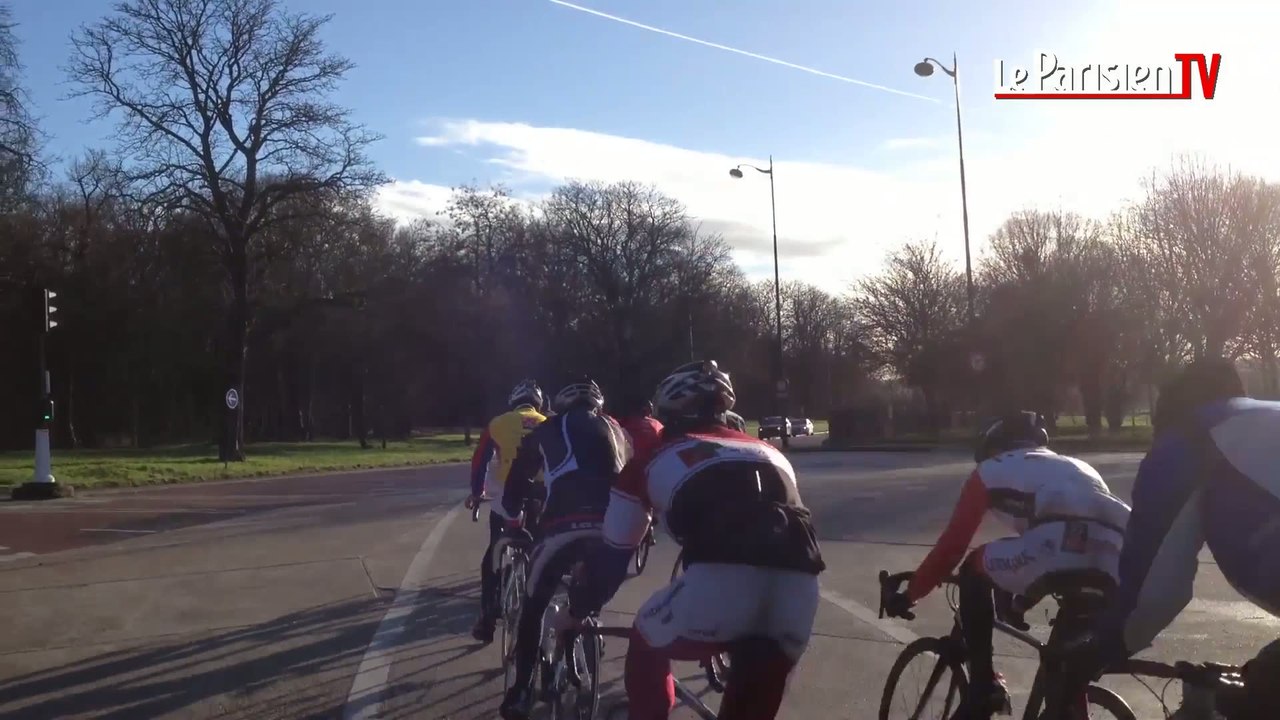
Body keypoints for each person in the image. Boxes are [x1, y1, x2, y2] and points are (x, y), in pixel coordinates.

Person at [567, 360, 826, 720]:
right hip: (801, 590)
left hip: (722, 583)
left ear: (668, 415)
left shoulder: (649, 460)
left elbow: (614, 557)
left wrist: (578, 609)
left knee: (646, 639)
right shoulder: (772, 453)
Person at [1066, 358, 1280, 717]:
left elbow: (1155, 585)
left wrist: (1105, 645)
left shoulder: (1187, 442)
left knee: (1247, 702)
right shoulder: (1259, 420)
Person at [882, 411, 1131, 720]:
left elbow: (952, 548)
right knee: (1065, 667)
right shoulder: (1073, 465)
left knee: (974, 566)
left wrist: (910, 594)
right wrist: (1021, 597)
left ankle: (983, 687)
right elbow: (1065, 546)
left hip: (1058, 546)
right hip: (1116, 555)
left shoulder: (990, 470)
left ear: (993, 447)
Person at [498, 377, 631, 720]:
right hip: (614, 528)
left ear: (559, 406)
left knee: (533, 606)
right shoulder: (617, 430)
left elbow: (518, 482)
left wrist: (513, 512)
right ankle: (581, 626)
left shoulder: (547, 429)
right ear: (598, 406)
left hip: (564, 525)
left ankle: (521, 688)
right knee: (589, 590)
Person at [467, 378, 547, 644]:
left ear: (513, 403)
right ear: (538, 403)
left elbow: (480, 461)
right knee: (540, 550)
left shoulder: (498, 423)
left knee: (493, 554)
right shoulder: (549, 424)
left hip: (504, 497)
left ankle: (488, 617)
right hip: (539, 496)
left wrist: (476, 492)